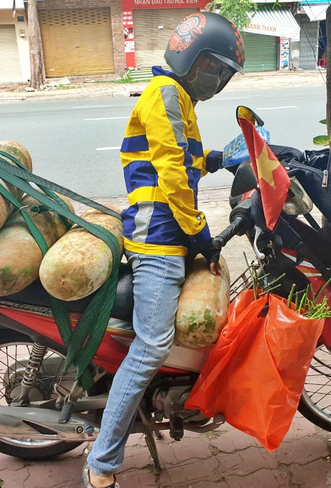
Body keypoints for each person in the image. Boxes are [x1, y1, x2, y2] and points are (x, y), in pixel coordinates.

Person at [83, 12, 245, 488]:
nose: (217, 80)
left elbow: (180, 157)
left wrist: (215, 159)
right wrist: (199, 234)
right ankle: (101, 461)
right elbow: (172, 174)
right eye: (213, 69)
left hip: (169, 230)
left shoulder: (178, 98)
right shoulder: (164, 95)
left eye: (223, 74)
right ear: (190, 59)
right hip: (157, 238)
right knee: (152, 344)